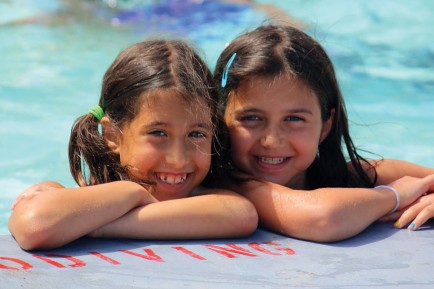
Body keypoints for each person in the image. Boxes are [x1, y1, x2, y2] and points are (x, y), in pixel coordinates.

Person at [8, 39, 258, 251]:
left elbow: (241, 214)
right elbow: (34, 225)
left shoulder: (209, 198)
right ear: (112, 135)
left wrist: (96, 226)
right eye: (158, 133)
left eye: (196, 134)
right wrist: (131, 192)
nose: (178, 159)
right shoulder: (69, 197)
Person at [212, 24, 434, 242]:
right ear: (220, 120)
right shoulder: (231, 185)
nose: (272, 140)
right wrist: (392, 195)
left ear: (325, 125)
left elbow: (418, 175)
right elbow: (323, 218)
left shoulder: (344, 174)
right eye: (251, 118)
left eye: (294, 119)